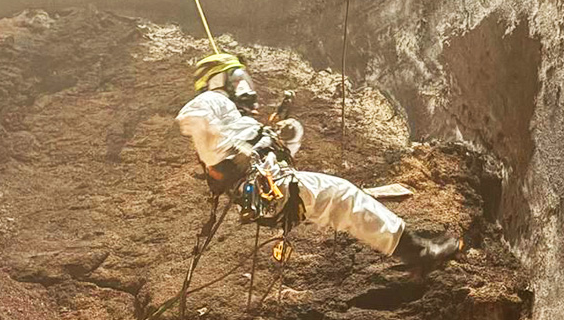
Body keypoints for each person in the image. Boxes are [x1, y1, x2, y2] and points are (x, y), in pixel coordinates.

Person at [175, 52, 462, 274]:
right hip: (271, 189)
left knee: (341, 200)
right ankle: (419, 255)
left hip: (271, 195)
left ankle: (416, 253)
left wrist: (274, 137)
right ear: (219, 81)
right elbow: (191, 118)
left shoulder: (236, 122)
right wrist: (233, 150)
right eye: (238, 78)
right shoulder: (213, 100)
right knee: (344, 196)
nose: (245, 87)